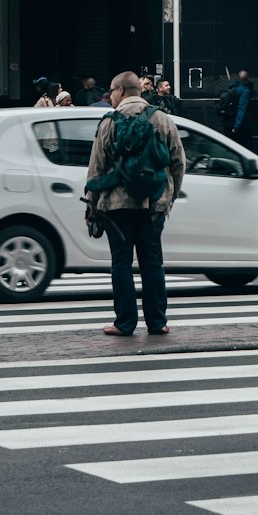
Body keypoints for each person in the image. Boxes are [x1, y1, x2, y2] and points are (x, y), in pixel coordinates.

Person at [85, 70, 185, 337]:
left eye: (111, 92)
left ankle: (125, 323)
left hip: (116, 207)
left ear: (120, 91)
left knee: (121, 264)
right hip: (153, 205)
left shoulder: (109, 122)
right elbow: (178, 162)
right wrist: (169, 197)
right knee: (152, 263)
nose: (110, 97)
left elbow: (96, 168)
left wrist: (92, 206)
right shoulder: (162, 119)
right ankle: (157, 322)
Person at [222, 70, 254, 150]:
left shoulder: (231, 87)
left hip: (227, 122)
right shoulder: (245, 91)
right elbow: (241, 109)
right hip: (238, 125)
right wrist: (236, 126)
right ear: (247, 79)